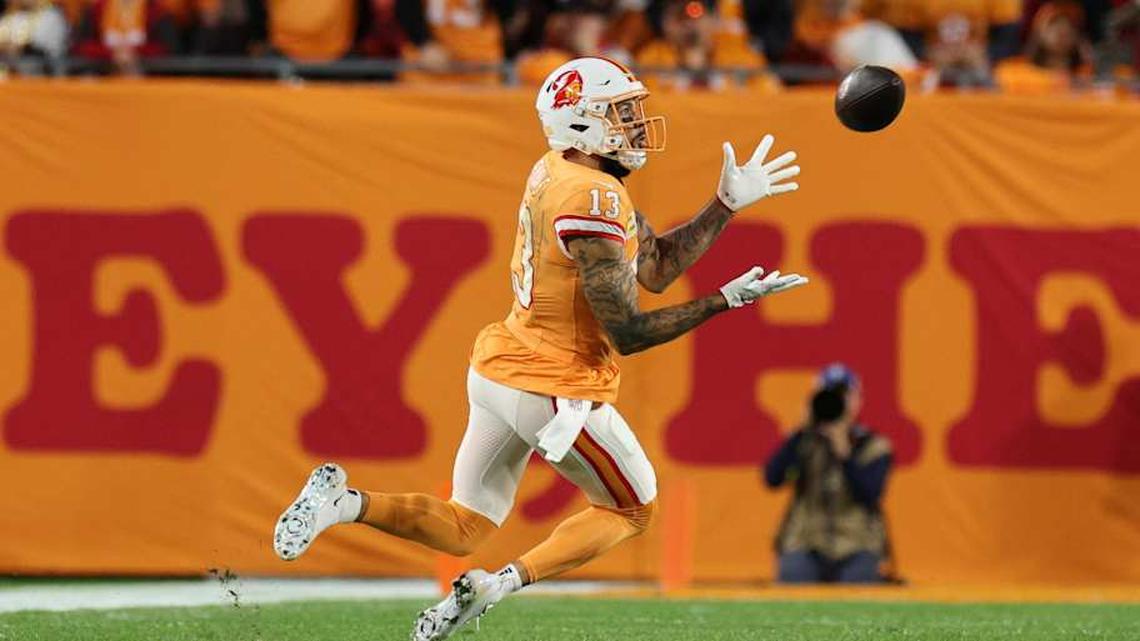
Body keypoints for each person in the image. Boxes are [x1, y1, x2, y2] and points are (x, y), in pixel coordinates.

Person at [272, 56, 807, 640]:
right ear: (581, 123)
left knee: (464, 525)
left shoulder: (561, 171)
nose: (634, 123)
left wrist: (724, 206)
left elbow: (651, 268)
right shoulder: (594, 200)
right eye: (620, 112)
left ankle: (341, 503)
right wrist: (723, 301)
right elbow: (628, 332)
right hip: (554, 386)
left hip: (502, 368)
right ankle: (493, 588)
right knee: (632, 510)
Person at [764, 363, 893, 584]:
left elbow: (870, 494)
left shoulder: (874, 445)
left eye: (845, 396)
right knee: (793, 578)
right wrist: (801, 432)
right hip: (805, 541)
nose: (838, 403)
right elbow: (772, 478)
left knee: (861, 587)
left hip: (857, 543)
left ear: (858, 400)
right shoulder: (804, 442)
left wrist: (844, 451)